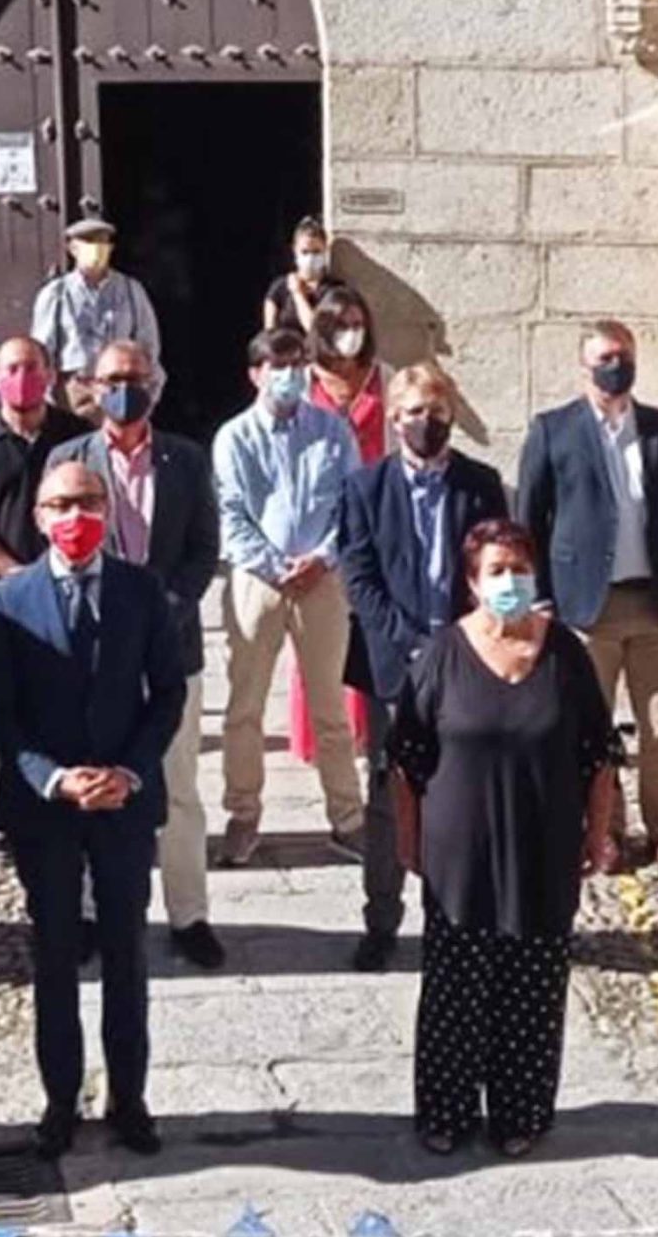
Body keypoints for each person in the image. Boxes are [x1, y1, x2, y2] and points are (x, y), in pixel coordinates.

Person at [0, 461, 187, 1160]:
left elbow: (167, 696)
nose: (76, 517)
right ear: (39, 516)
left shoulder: (142, 590)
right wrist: (56, 779)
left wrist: (129, 771)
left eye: (90, 502)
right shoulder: (9, 601)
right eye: (62, 505)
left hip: (124, 801)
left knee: (127, 953)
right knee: (57, 954)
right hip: (48, 808)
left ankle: (131, 1098)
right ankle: (60, 1099)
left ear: (110, 509)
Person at [393, 520, 618, 1156]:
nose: (510, 581)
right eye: (496, 571)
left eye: (520, 569)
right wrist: (409, 841)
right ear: (471, 583)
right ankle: (446, 1111)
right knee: (454, 987)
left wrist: (597, 835)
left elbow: (598, 754)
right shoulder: (443, 654)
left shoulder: (565, 654)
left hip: (543, 845)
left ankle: (520, 1112)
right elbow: (406, 759)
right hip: (459, 853)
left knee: (533, 982)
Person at [48, 341, 226, 970]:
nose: (126, 388)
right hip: (94, 655)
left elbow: (205, 548)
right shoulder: (68, 459)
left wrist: (164, 609)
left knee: (178, 787)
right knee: (95, 783)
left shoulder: (187, 459)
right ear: (92, 388)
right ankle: (95, 914)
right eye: (114, 379)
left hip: (171, 650)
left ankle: (190, 915)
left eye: (136, 377)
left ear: (154, 383)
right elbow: (57, 548)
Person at [517, 321, 658, 871]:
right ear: (585, 365)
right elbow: (530, 518)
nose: (615, 365)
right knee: (590, 728)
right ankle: (603, 830)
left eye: (623, 355)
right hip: (586, 607)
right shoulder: (554, 430)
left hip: (657, 600)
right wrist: (540, 599)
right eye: (604, 356)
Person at [337, 363, 510, 972]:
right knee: (389, 794)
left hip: (466, 659)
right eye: (414, 412)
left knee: (462, 794)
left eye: (436, 412)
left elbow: (497, 565)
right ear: (394, 417)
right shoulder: (364, 488)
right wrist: (408, 643)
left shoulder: (481, 483)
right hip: (394, 664)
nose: (425, 423)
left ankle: (455, 919)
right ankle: (381, 921)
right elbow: (359, 575)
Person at [214, 327, 365, 863]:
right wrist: (276, 566)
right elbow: (231, 514)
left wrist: (323, 557)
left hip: (322, 580)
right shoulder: (234, 437)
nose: (291, 373)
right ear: (256, 373)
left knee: (331, 706)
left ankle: (347, 817)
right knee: (245, 705)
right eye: (279, 364)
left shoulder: (333, 431)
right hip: (259, 581)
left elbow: (351, 503)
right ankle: (243, 813)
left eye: (298, 362)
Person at [290, 284, 386, 768]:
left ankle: (362, 733)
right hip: (318, 520)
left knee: (363, 626)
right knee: (316, 631)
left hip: (373, 518)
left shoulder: (381, 379)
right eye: (337, 325)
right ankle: (315, 741)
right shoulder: (302, 383)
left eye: (356, 323)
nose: (348, 334)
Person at [0, 333, 90, 594]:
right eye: (12, 369)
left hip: (71, 586)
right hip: (1, 590)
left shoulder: (79, 436)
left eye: (32, 368)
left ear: (51, 376)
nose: (22, 377)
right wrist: (13, 572)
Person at [31, 215, 162, 412]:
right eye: (89, 242)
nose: (97, 248)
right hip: (75, 389)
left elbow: (148, 343)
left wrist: (149, 389)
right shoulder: (55, 293)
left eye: (102, 242)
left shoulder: (130, 289)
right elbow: (42, 349)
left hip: (121, 387)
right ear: (73, 249)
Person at [263, 215, 341, 339]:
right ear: (294, 251)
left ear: (325, 250)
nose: (310, 258)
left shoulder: (334, 290)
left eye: (316, 252)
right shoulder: (279, 287)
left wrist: (298, 294)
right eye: (304, 252)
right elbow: (269, 335)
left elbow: (316, 332)